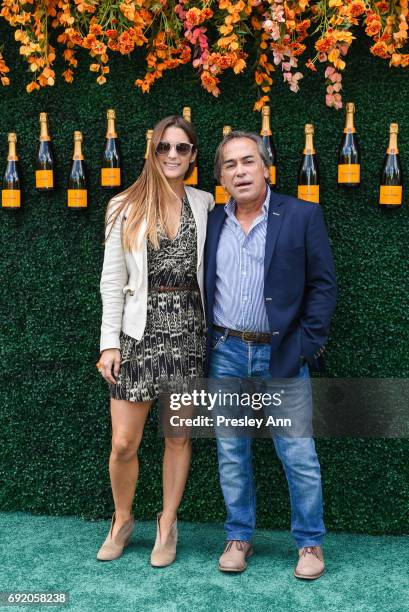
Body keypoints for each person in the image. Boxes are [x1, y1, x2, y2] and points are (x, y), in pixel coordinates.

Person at [204, 131, 337, 578]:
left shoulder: (302, 215)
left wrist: (306, 345)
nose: (240, 171)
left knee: (298, 453)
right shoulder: (212, 222)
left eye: (247, 162)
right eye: (230, 165)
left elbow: (323, 286)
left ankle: (310, 544)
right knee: (231, 452)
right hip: (225, 351)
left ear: (266, 167)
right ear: (221, 176)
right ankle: (239, 536)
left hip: (281, 355)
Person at [96, 115, 214, 567]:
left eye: (182, 148)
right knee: (124, 442)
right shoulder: (123, 205)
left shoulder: (205, 204)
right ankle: (122, 519)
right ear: (152, 150)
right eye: (164, 147)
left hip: (188, 333)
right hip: (138, 333)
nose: (172, 155)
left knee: (178, 436)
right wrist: (110, 343)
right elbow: (111, 280)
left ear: (193, 156)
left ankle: (168, 522)